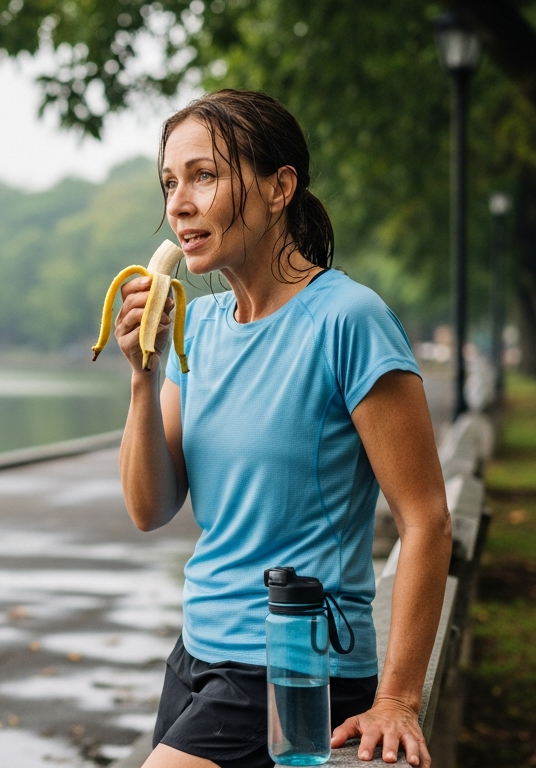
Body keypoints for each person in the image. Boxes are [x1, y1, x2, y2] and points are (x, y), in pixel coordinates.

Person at [112, 90, 452, 768]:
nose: (179, 203)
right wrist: (143, 378)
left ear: (279, 187)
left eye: (204, 176)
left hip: (297, 669)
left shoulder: (348, 320)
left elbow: (426, 521)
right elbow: (150, 508)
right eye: (170, 182)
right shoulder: (197, 331)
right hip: (196, 659)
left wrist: (397, 700)